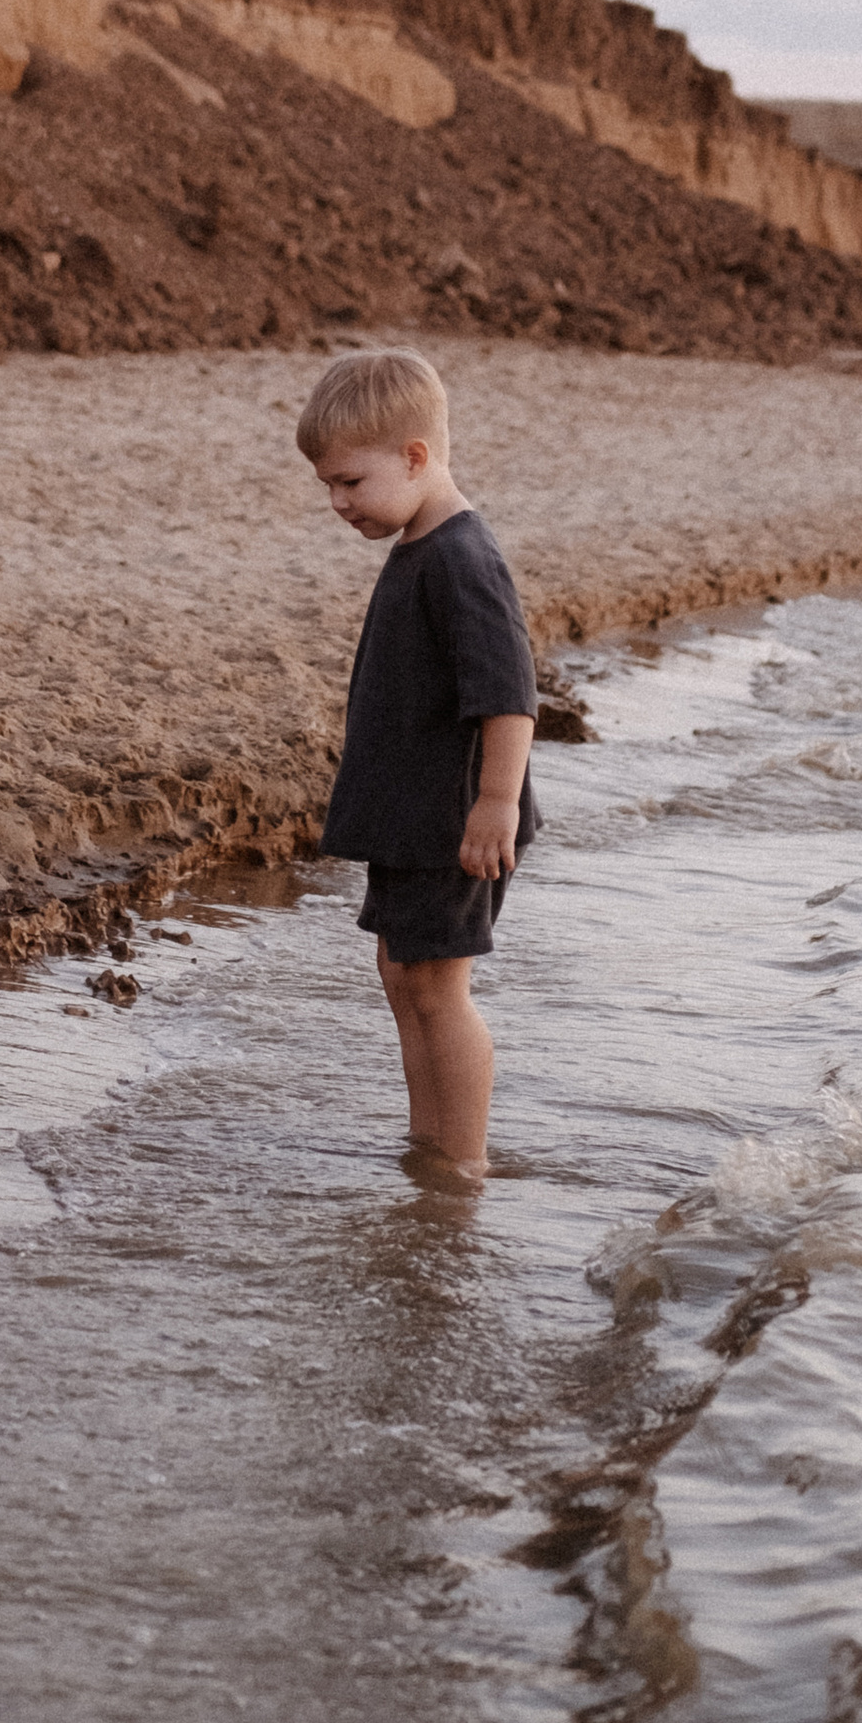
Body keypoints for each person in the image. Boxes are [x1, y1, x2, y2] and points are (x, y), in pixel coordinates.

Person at [295, 347, 539, 1184]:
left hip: (456, 821)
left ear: (414, 458)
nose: (337, 503)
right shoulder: (421, 544)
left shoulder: (464, 559)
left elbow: (510, 696)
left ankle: (460, 1167)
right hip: (414, 816)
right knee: (405, 978)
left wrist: (496, 804)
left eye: (350, 483)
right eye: (327, 485)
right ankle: (429, 1144)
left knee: (441, 990)